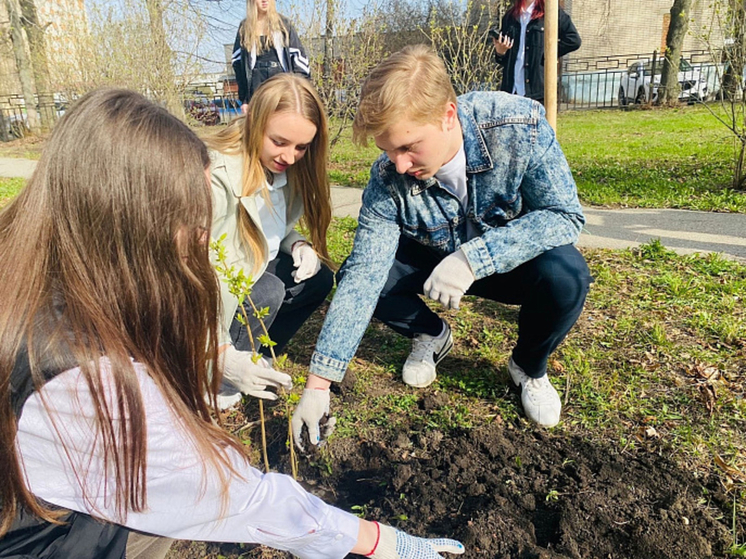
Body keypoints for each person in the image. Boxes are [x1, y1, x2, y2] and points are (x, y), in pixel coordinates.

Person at [0, 87, 466, 559]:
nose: (204, 232)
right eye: (191, 217)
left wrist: (297, 245)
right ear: (129, 218)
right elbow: (225, 492)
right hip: (35, 541)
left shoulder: (29, 270)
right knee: (159, 520)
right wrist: (377, 540)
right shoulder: (89, 374)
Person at [291, 44, 592, 448]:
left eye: (409, 146)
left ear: (447, 115)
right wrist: (318, 385)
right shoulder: (388, 178)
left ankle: (527, 367)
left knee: (567, 276)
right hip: (432, 262)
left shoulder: (517, 126)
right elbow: (364, 277)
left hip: (510, 263)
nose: (399, 164)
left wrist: (474, 258)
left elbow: (563, 215)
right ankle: (431, 334)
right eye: (388, 150)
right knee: (356, 274)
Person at [205, 73, 336, 409]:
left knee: (318, 279)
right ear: (255, 121)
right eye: (279, 142)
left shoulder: (282, 169)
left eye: (302, 147)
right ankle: (220, 375)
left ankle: (261, 353)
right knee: (268, 290)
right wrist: (218, 353)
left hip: (252, 267)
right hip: (211, 303)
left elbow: (270, 227)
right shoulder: (216, 175)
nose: (290, 157)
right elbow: (187, 276)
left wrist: (297, 244)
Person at [491, 0, 581, 104]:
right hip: (511, 91)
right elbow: (503, 60)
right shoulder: (510, 16)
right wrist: (500, 52)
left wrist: (547, 54)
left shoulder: (551, 13)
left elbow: (573, 40)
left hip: (536, 92)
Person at [232, 0, 310, 111]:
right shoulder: (244, 27)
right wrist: (245, 99)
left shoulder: (284, 24)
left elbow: (299, 60)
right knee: (260, 127)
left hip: (282, 84)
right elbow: (237, 64)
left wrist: (300, 91)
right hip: (256, 87)